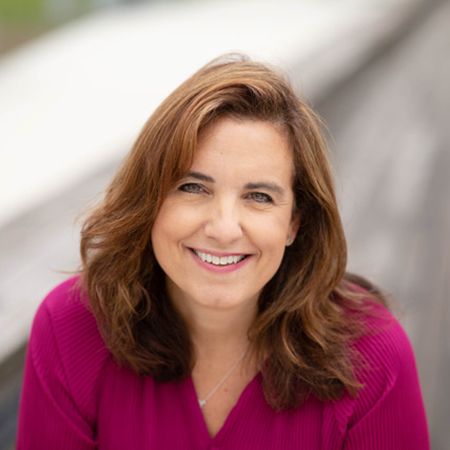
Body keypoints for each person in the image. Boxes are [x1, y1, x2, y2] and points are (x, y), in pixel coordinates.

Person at [17, 54, 429, 449]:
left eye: (259, 197)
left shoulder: (372, 356)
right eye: (193, 187)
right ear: (150, 201)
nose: (224, 229)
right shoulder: (72, 329)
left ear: (294, 223)